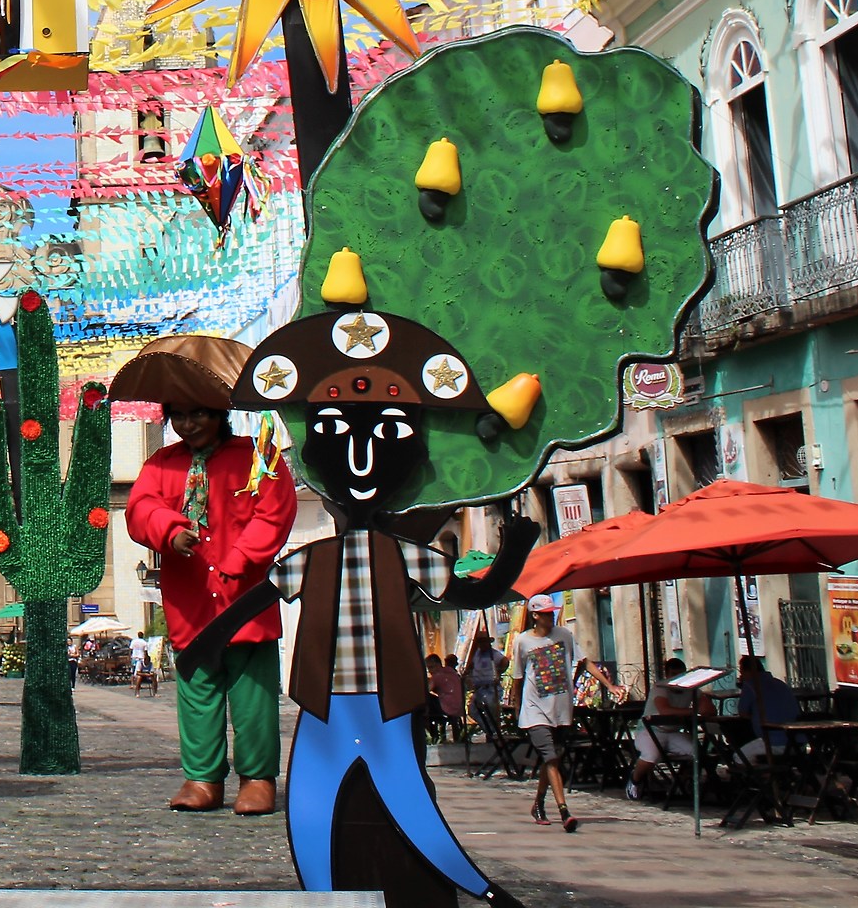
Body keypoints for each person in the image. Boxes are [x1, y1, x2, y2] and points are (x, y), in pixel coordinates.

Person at [232, 309, 538, 905]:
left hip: (382, 704)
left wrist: (513, 554)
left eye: (390, 435)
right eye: (337, 436)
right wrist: (207, 643)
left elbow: (472, 593)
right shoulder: (317, 559)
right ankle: (475, 893)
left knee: (400, 803)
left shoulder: (400, 556)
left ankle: (484, 891)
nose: (361, 460)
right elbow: (256, 599)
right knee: (318, 809)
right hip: (329, 706)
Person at [119, 334, 300, 816]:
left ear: (220, 412)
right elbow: (140, 509)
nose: (188, 424)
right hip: (192, 601)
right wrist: (169, 529)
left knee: (253, 697)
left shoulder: (258, 457)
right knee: (197, 692)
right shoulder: (163, 463)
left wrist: (239, 561)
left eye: (197, 413)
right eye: (178, 415)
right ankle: (202, 778)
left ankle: (258, 778)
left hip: (245, 601)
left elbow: (275, 512)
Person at [512, 595, 580, 832]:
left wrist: (608, 685)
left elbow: (583, 660)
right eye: (546, 613)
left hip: (560, 710)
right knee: (550, 758)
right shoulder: (522, 641)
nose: (551, 617)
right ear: (535, 616)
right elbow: (518, 677)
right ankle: (564, 811)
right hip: (534, 711)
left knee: (552, 759)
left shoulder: (564, 635)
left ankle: (538, 804)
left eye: (552, 612)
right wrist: (516, 707)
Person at [626, 657, 708, 800]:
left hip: (674, 732)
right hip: (650, 731)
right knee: (651, 755)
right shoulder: (660, 688)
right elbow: (664, 710)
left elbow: (709, 708)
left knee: (697, 752)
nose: (678, 678)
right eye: (674, 674)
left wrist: (703, 706)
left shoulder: (691, 689)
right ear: (667, 674)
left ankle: (681, 783)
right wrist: (693, 711)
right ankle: (635, 779)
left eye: (681, 674)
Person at [737, 654, 800, 762]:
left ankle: (760, 772)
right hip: (798, 741)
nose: (741, 676)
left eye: (742, 673)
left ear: (748, 671)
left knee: (739, 757)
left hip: (774, 741)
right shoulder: (781, 684)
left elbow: (743, 712)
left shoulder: (751, 685)